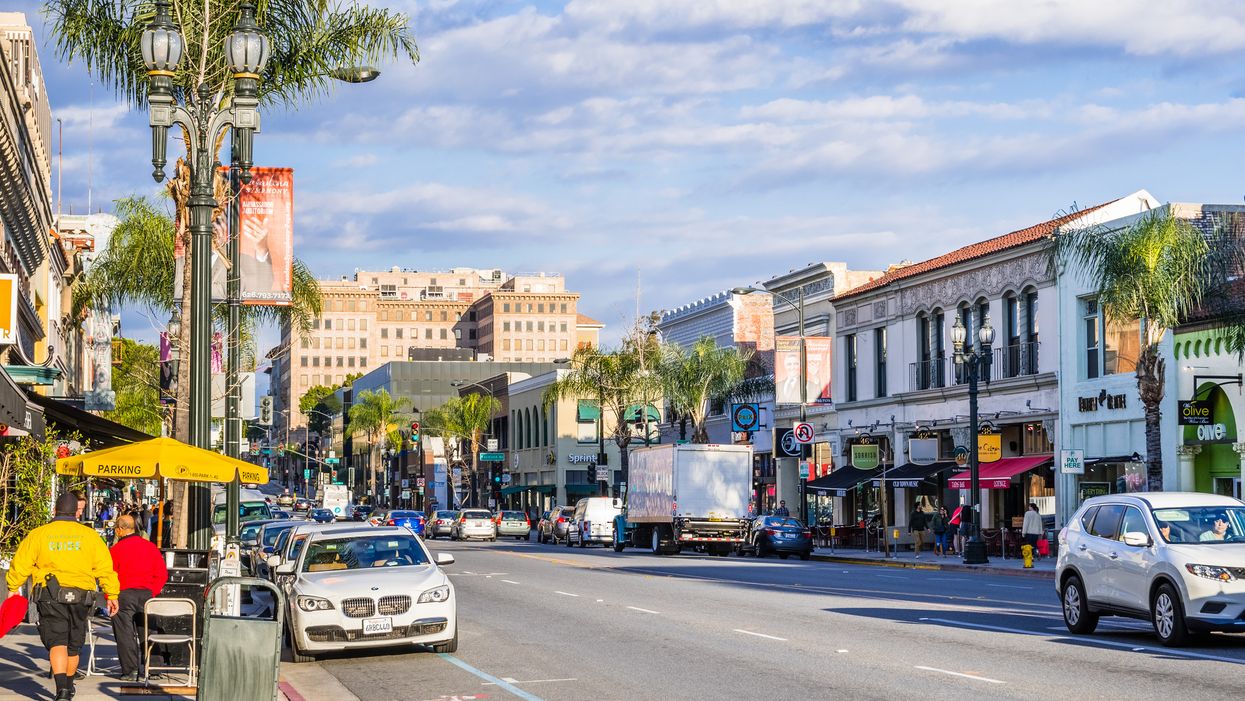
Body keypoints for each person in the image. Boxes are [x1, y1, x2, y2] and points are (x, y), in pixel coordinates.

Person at [6, 492, 121, 701]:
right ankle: (68, 686)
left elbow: (21, 563)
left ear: (55, 510)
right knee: (73, 644)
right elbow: (105, 568)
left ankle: (62, 690)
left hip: (50, 596)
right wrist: (111, 594)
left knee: (57, 641)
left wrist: (13, 587)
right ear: (77, 511)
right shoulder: (90, 536)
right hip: (82, 597)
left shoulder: (39, 534)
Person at [109, 514, 168, 682]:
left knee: (125, 634)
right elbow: (162, 574)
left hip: (123, 594)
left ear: (120, 530)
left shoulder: (115, 550)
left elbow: (110, 576)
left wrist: (110, 596)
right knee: (149, 631)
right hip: (147, 594)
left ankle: (130, 670)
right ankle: (154, 668)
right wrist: (153, 592)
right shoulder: (150, 547)